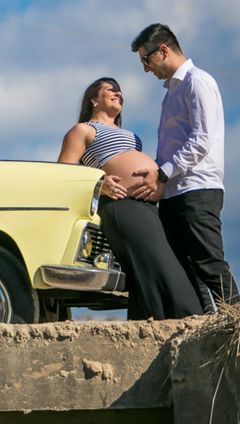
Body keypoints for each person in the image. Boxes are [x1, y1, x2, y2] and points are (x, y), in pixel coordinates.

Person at [57, 77, 202, 320]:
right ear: (94, 100)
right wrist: (99, 184)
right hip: (121, 205)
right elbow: (63, 173)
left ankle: (150, 323)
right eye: (111, 89)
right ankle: (187, 318)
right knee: (160, 263)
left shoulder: (133, 137)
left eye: (120, 91)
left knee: (158, 264)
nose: (118, 93)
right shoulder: (83, 130)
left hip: (149, 207)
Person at [129, 23, 240, 312]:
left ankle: (238, 322)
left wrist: (162, 173)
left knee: (209, 263)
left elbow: (202, 139)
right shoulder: (171, 92)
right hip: (173, 192)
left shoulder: (198, 81)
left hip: (197, 189)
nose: (146, 69)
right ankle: (203, 325)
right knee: (185, 270)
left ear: (163, 50)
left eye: (146, 60)